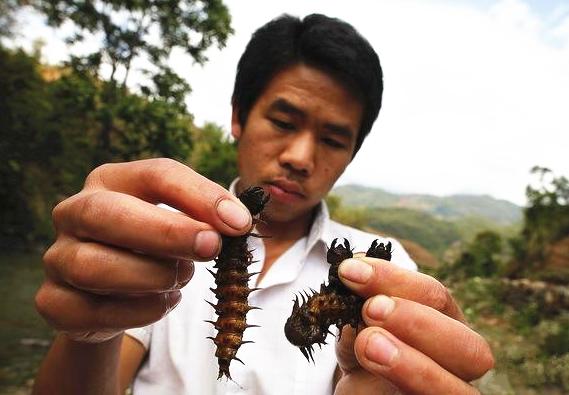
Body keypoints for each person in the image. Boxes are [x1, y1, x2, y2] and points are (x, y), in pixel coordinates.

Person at [32, 13, 494, 395]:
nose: (300, 158)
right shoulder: (153, 239)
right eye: (282, 120)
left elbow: (366, 373)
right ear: (238, 116)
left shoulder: (386, 273)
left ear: (351, 155)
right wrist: (89, 327)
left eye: (333, 140)